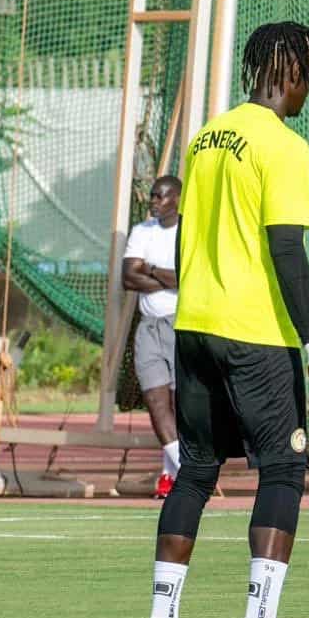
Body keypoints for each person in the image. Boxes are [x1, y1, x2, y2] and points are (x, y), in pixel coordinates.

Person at [135, 22, 309, 618]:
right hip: (256, 333)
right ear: (289, 73)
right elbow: (286, 248)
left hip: (194, 328)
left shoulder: (206, 137)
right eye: (308, 73)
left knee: (196, 469)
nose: (308, 87)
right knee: (282, 469)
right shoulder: (284, 146)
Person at [121, 175, 182, 499]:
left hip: (182, 323)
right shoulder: (142, 231)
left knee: (181, 404)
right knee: (155, 400)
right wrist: (169, 276)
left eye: (161, 196)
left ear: (177, 199)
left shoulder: (189, 230)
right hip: (149, 325)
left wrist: (151, 269)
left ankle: (170, 475)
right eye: (153, 196)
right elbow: (128, 278)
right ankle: (183, 471)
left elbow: (190, 277)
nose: (154, 201)